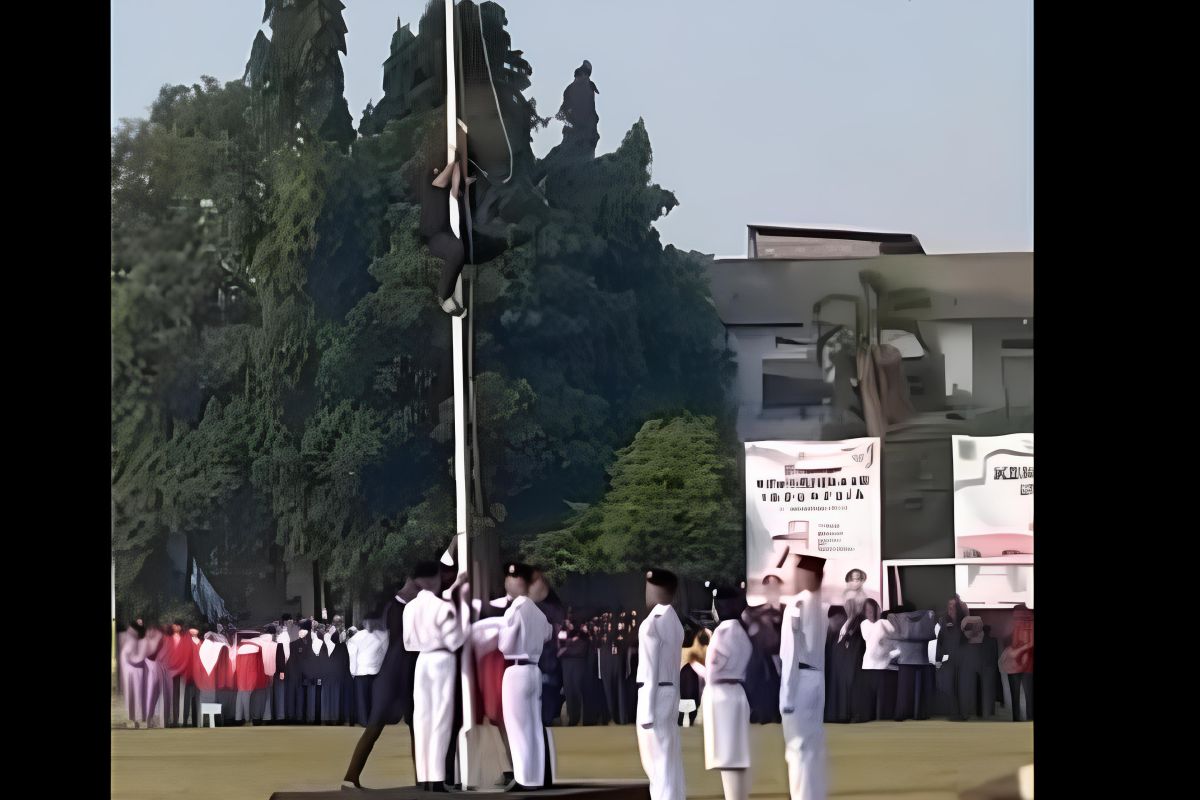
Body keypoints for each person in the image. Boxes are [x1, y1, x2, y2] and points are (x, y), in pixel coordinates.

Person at [342, 575, 423, 791]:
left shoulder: (399, 605)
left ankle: (422, 780)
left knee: (415, 728)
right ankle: (351, 776)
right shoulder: (396, 606)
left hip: (401, 673)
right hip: (394, 674)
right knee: (377, 727)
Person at [404, 560, 468, 792]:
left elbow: (408, 643)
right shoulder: (442, 608)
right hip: (442, 660)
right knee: (441, 719)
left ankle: (424, 777)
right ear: (434, 579)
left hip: (422, 660)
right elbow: (455, 641)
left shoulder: (409, 608)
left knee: (422, 719)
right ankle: (437, 777)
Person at [499, 563, 554, 791]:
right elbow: (548, 634)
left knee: (517, 727)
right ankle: (536, 776)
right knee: (533, 727)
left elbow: (504, 645)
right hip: (534, 669)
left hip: (516, 669)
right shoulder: (538, 612)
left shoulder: (514, 610)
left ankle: (523, 778)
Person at [779, 554, 828, 800]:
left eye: (798, 573)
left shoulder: (796, 605)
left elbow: (790, 653)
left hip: (799, 679)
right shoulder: (822, 607)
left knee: (796, 749)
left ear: (807, 576)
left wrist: (786, 696)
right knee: (813, 746)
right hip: (818, 679)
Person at [636, 568, 686, 800]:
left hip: (654, 695)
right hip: (669, 692)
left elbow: (650, 669)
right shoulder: (674, 621)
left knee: (656, 764)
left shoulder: (651, 624)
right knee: (669, 757)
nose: (647, 593)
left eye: (650, 588)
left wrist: (646, 712)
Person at [704, 586, 754, 800]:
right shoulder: (740, 629)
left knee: (728, 759)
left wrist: (694, 665)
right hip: (736, 693)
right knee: (735, 757)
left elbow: (713, 671)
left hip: (722, 696)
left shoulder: (724, 630)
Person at [854, 600, 899, 722]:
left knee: (882, 698)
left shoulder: (885, 624)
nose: (870, 613)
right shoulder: (864, 624)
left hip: (882, 667)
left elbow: (897, 644)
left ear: (877, 610)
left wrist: (889, 654)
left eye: (872, 610)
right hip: (868, 666)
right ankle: (869, 717)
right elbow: (871, 640)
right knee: (868, 697)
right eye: (867, 610)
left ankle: (881, 719)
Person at [346, 618, 388, 729]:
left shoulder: (355, 638)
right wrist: (378, 666)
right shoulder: (381, 636)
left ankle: (364, 721)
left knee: (361, 698)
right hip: (375, 670)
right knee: (372, 697)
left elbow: (352, 656)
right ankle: (373, 720)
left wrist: (352, 672)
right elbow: (383, 654)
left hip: (360, 671)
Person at [558, 617, 590, 726]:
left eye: (570, 622)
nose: (569, 624)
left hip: (577, 665)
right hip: (568, 665)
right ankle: (573, 718)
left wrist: (567, 647)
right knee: (569, 692)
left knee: (577, 691)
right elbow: (559, 650)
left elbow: (581, 648)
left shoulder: (582, 635)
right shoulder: (563, 632)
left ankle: (579, 718)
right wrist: (571, 643)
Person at [119, 620, 148, 728]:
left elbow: (138, 656)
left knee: (137, 693)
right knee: (132, 693)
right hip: (130, 669)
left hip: (136, 669)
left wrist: (131, 659)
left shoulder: (140, 639)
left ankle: (137, 718)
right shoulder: (130, 637)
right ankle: (133, 718)